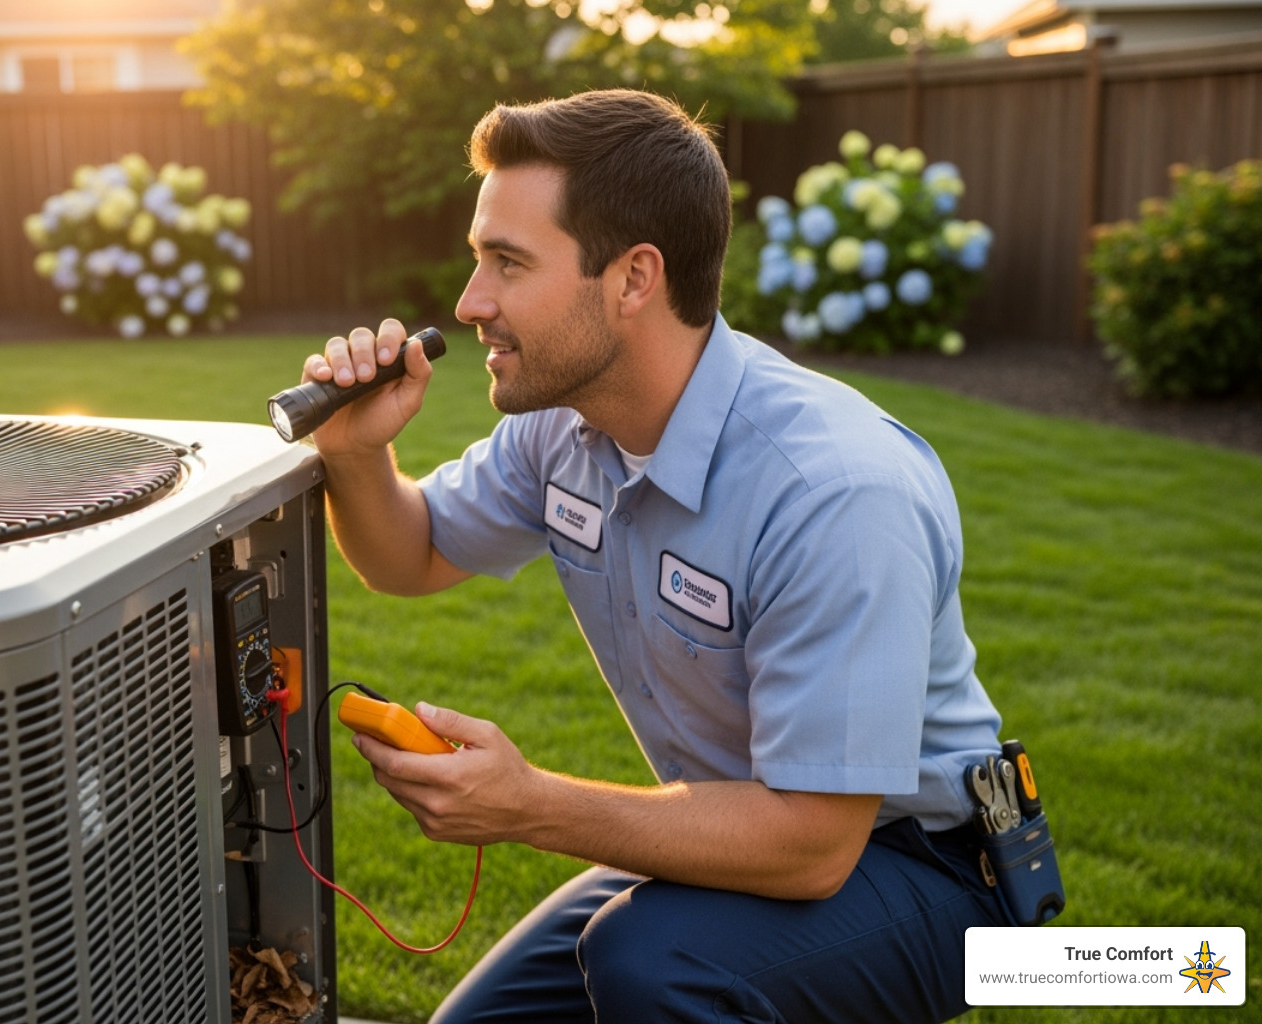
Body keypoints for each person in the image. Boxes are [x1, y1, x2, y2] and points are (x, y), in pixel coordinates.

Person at [299, 89, 1014, 1023]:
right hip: (741, 832)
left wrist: (531, 804)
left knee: (650, 962)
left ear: (635, 278)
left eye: (508, 263)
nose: (471, 303)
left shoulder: (834, 491)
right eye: (481, 260)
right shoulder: (564, 427)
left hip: (935, 876)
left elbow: (812, 846)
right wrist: (355, 451)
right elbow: (412, 556)